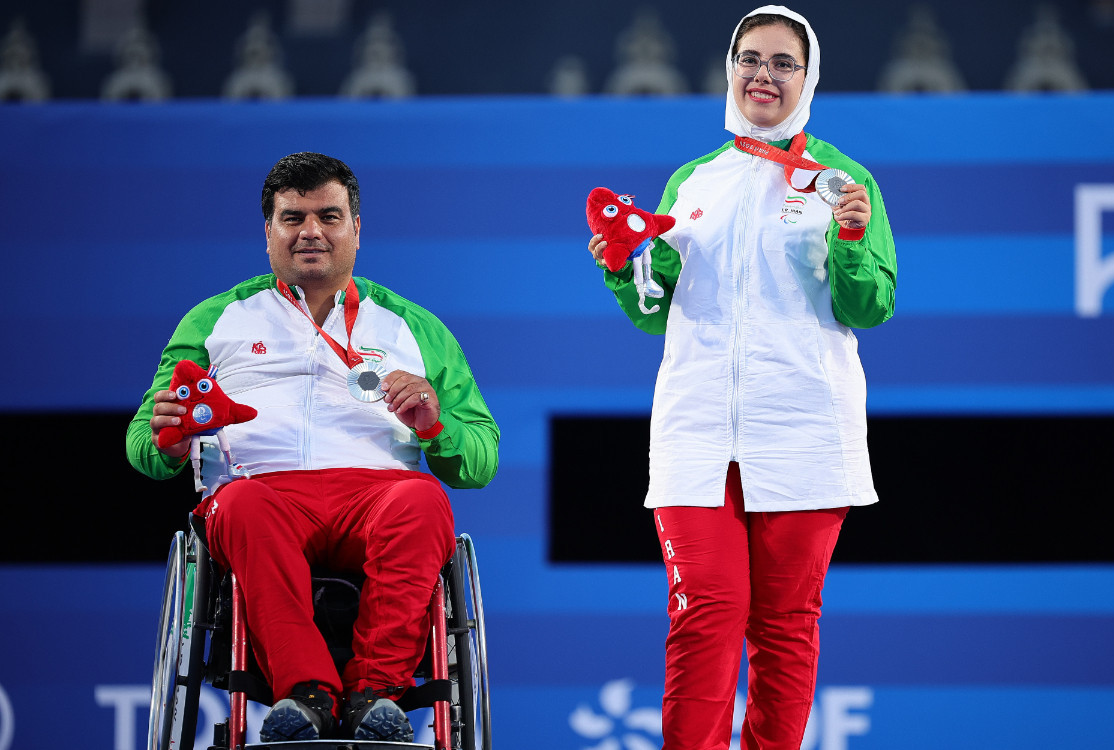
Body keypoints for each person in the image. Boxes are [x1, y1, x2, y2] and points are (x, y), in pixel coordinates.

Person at [586, 6, 896, 750]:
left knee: (786, 626)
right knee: (707, 611)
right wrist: (619, 268)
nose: (764, 75)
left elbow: (872, 304)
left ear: (808, 76)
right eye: (751, 59)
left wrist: (849, 238)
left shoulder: (844, 180)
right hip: (696, 432)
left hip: (803, 429)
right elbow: (654, 311)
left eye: (783, 63)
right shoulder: (694, 181)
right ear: (730, 70)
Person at [127, 152, 500, 742]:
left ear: (357, 228)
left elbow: (479, 460)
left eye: (329, 216)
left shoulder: (414, 327)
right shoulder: (214, 320)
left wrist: (436, 426)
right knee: (245, 507)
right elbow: (145, 446)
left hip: (378, 498)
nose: (311, 232)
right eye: (292, 218)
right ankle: (307, 696)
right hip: (260, 494)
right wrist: (167, 438)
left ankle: (375, 696)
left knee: (423, 501)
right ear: (268, 232)